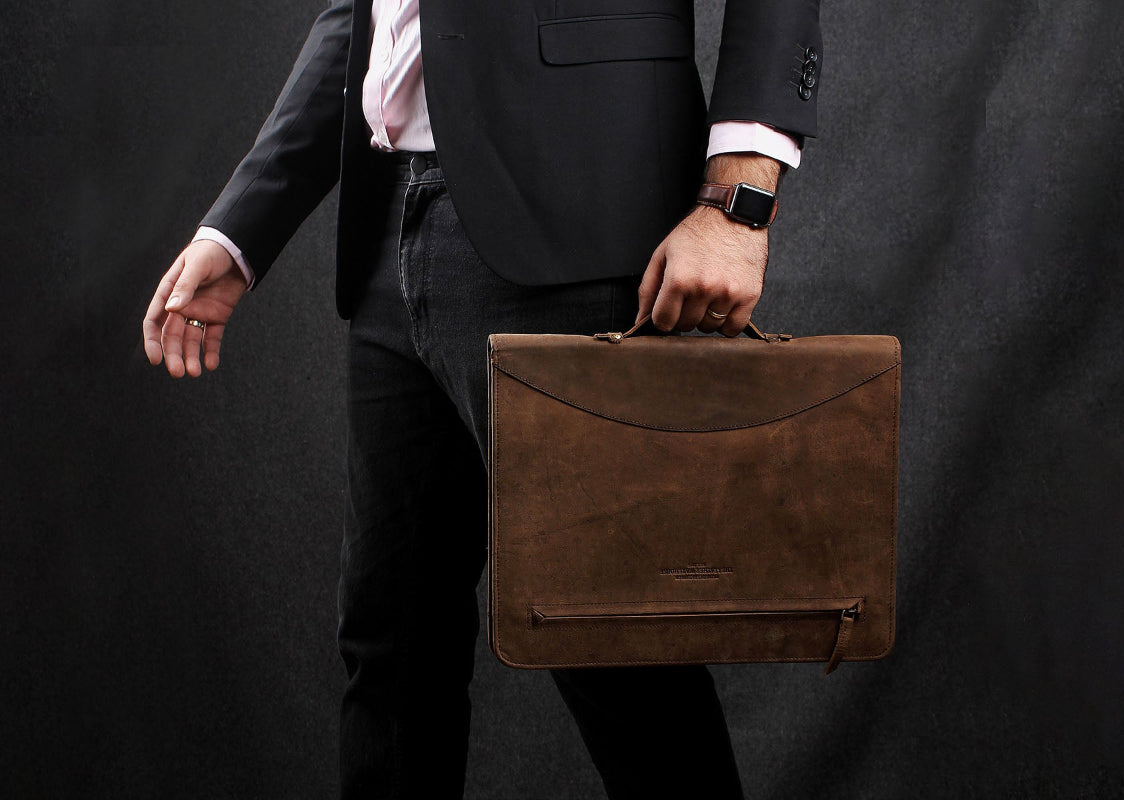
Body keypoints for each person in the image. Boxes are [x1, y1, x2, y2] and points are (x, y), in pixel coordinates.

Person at [142, 1, 823, 797]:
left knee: (621, 656)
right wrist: (240, 230)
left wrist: (739, 204)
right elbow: (362, 14)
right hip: (390, 236)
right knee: (390, 653)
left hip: (580, 227)